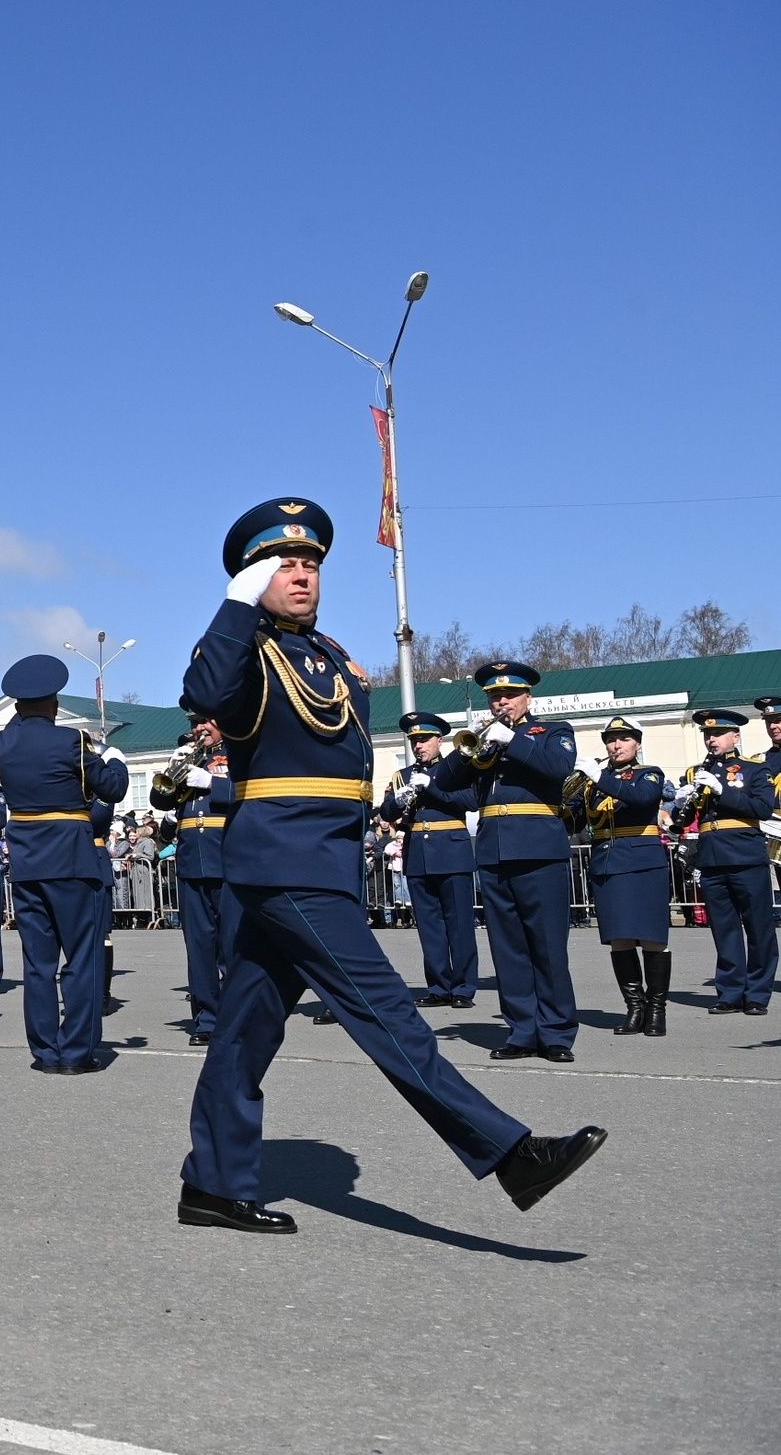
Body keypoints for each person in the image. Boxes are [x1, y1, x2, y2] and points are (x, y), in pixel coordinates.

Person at [177, 496, 602, 1233]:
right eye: (282, 564)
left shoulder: (329, 656)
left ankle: (212, 1183)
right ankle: (508, 1153)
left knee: (245, 1031)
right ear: (251, 578)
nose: (301, 573)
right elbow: (207, 695)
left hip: (316, 861)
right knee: (389, 1014)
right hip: (287, 865)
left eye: (309, 562)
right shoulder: (243, 655)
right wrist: (234, 606)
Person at [432, 661, 580, 1062]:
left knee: (547, 945)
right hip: (494, 852)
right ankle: (521, 1029)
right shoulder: (485, 740)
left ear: (527, 697)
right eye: (495, 697)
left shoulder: (552, 732)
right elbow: (443, 782)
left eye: (509, 695)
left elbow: (558, 769)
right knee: (508, 947)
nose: (501, 702)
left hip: (539, 850)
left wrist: (513, 741)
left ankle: (556, 1032)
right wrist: (474, 747)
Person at [0, 654, 127, 1074]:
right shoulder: (71, 743)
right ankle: (75, 1052)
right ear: (53, 703)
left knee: (38, 963)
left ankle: (44, 1051)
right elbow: (114, 789)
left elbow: (21, 731)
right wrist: (111, 756)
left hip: (29, 864)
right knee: (82, 959)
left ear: (16, 705)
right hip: (71, 860)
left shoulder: (2, 744)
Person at [573, 716, 672, 1036]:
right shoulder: (591, 783)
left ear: (637, 744)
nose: (615, 745)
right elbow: (576, 823)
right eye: (611, 740)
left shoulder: (649, 774)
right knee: (620, 938)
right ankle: (634, 1007)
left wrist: (598, 776)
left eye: (624, 739)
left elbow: (641, 799)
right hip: (607, 862)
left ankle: (657, 1010)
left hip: (643, 861)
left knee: (653, 936)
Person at [378, 714, 481, 1008]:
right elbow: (386, 812)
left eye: (424, 740)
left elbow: (470, 802)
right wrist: (397, 801)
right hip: (418, 854)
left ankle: (462, 988)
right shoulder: (403, 774)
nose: (418, 746)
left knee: (459, 924)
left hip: (451, 850)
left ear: (440, 740)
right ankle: (438, 985)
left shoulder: (457, 768)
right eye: (414, 741)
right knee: (429, 925)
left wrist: (432, 788)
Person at [686, 706, 779, 1016]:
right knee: (724, 929)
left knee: (758, 927)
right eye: (707, 734)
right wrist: (679, 805)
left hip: (744, 854)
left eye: (717, 734)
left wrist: (722, 790)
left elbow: (763, 808)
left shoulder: (755, 769)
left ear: (735, 736)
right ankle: (729, 991)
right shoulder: (696, 771)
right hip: (712, 857)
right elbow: (688, 817)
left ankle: (757, 993)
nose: (711, 740)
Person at [155, 716, 234, 1043]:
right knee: (199, 946)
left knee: (232, 945)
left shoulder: (239, 753)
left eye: (207, 723)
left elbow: (250, 793)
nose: (200, 729)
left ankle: (235, 1017)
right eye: (196, 723)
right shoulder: (190, 757)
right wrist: (174, 769)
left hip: (229, 857)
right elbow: (160, 799)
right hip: (192, 860)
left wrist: (212, 783)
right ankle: (206, 1020)